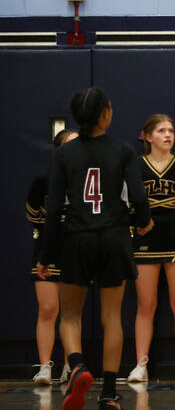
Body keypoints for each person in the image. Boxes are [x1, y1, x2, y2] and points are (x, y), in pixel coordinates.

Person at [37, 87, 154, 410]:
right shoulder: (123, 150)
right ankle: (108, 394)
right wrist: (144, 222)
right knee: (112, 317)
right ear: (105, 114)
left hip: (77, 237)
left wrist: (45, 256)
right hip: (115, 237)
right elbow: (139, 196)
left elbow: (53, 209)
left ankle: (77, 365)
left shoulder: (63, 155)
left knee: (71, 315)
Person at [127, 114, 175, 384]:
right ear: (147, 137)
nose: (168, 135)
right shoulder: (134, 168)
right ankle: (141, 364)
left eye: (170, 130)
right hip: (145, 242)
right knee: (145, 305)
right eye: (161, 131)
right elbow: (125, 207)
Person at [27, 128, 77, 385]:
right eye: (70, 145)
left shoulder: (85, 184)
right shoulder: (42, 182)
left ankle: (71, 365)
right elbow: (35, 216)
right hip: (47, 249)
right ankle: (45, 366)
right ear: (58, 151)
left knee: (71, 312)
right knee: (47, 309)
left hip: (76, 250)